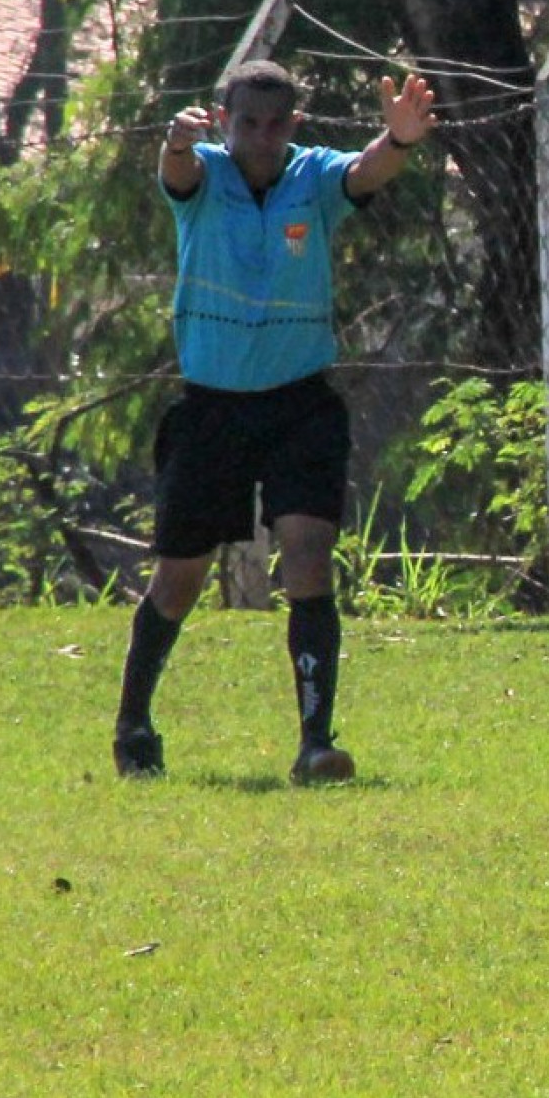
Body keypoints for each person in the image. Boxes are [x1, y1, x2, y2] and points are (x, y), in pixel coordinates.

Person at [110, 61, 439, 783]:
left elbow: (367, 171)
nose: (261, 136)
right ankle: (134, 725)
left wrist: (402, 140)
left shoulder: (313, 179)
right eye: (246, 122)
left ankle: (315, 743)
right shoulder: (202, 177)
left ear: (294, 124)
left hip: (300, 403)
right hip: (213, 406)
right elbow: (177, 173)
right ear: (223, 121)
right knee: (180, 577)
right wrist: (173, 142)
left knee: (308, 558)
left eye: (275, 122)